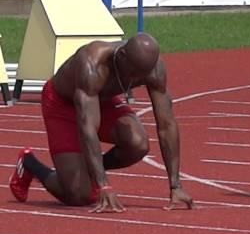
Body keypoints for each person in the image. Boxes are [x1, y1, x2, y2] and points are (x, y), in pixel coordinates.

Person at [9, 33, 194, 213]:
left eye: (141, 75)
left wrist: (175, 185)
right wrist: (103, 185)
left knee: (138, 143)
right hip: (63, 104)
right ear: (121, 56)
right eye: (132, 72)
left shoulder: (153, 68)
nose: (135, 79)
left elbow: (166, 124)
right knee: (78, 195)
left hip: (101, 101)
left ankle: (86, 171)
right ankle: (29, 163)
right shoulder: (92, 63)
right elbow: (87, 128)